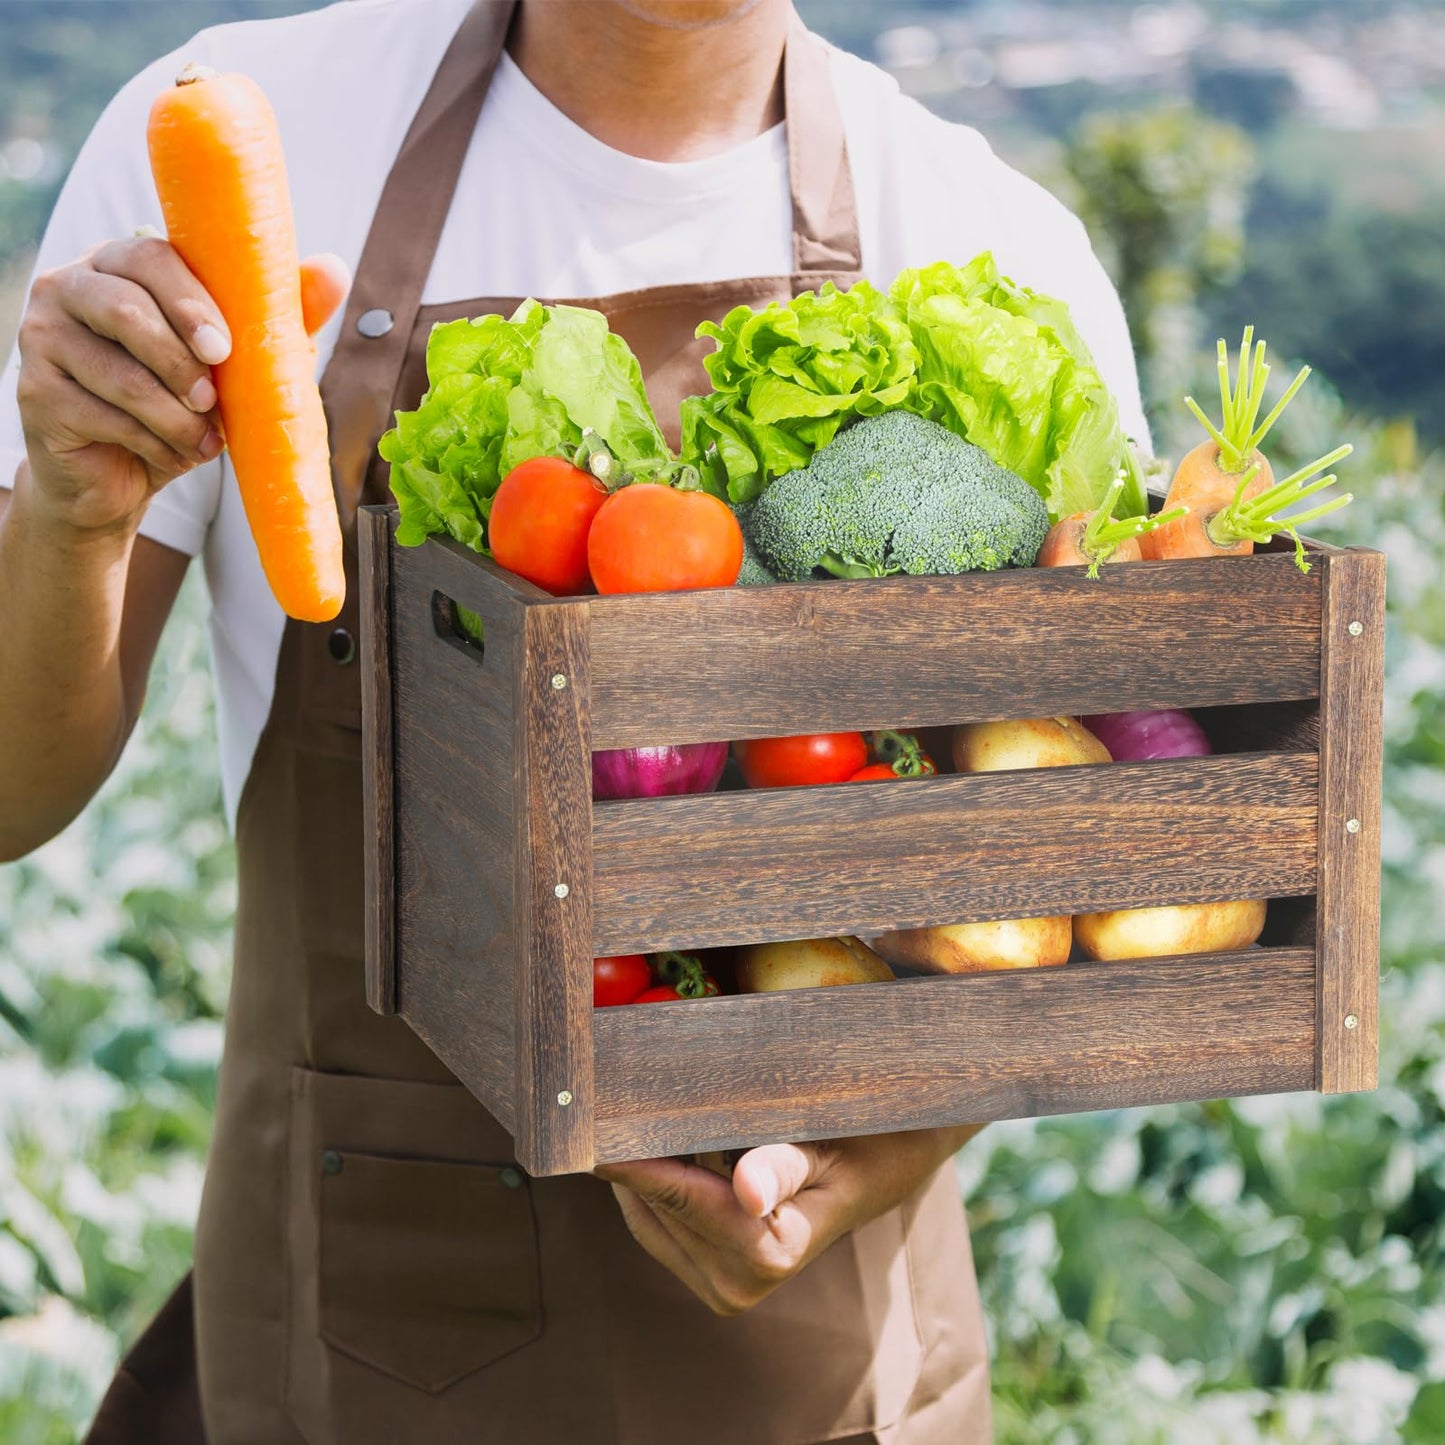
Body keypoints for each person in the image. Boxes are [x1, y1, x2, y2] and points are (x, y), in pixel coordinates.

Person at [0, 1, 1149, 1441]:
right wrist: (70, 510)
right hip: (354, 1340)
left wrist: (899, 1138)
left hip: (823, 1357)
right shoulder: (240, 137)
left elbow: (1078, 886)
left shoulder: (986, 238)